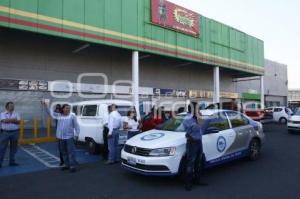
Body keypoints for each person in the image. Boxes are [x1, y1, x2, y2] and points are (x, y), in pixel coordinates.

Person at [43, 101, 80, 173]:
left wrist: (77, 134)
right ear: (63, 109)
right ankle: (66, 165)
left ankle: (72, 166)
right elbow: (50, 112)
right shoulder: (58, 115)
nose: (68, 110)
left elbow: (76, 125)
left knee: (71, 152)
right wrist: (46, 105)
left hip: (69, 137)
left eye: (69, 108)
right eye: (66, 108)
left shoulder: (72, 116)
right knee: (63, 152)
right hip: (61, 137)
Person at [183, 102, 205, 191]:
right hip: (192, 143)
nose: (199, 110)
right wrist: (200, 119)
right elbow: (196, 128)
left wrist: (200, 117)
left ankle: (197, 180)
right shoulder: (187, 119)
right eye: (197, 108)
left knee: (198, 162)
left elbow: (201, 126)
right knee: (190, 163)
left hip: (199, 141)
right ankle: (188, 183)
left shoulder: (196, 117)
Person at [0, 102, 21, 168]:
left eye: (13, 106)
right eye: (10, 106)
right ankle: (0, 163)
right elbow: (4, 121)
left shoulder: (17, 113)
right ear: (7, 107)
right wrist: (13, 120)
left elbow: (19, 122)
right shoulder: (2, 114)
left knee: (14, 148)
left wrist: (9, 120)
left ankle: (12, 162)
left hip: (15, 132)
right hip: (5, 133)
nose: (12, 107)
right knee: (2, 148)